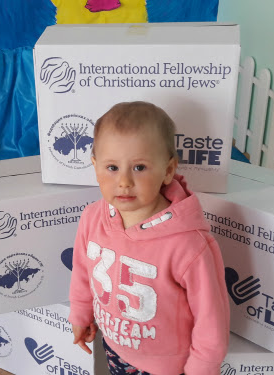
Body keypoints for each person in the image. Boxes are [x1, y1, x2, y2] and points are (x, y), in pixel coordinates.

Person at [68, 101, 230, 375]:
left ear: (168, 170)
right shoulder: (92, 217)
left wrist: (202, 368)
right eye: (112, 167)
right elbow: (83, 271)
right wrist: (81, 314)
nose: (124, 181)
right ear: (95, 166)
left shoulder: (188, 244)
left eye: (139, 167)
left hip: (167, 367)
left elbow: (211, 317)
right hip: (114, 348)